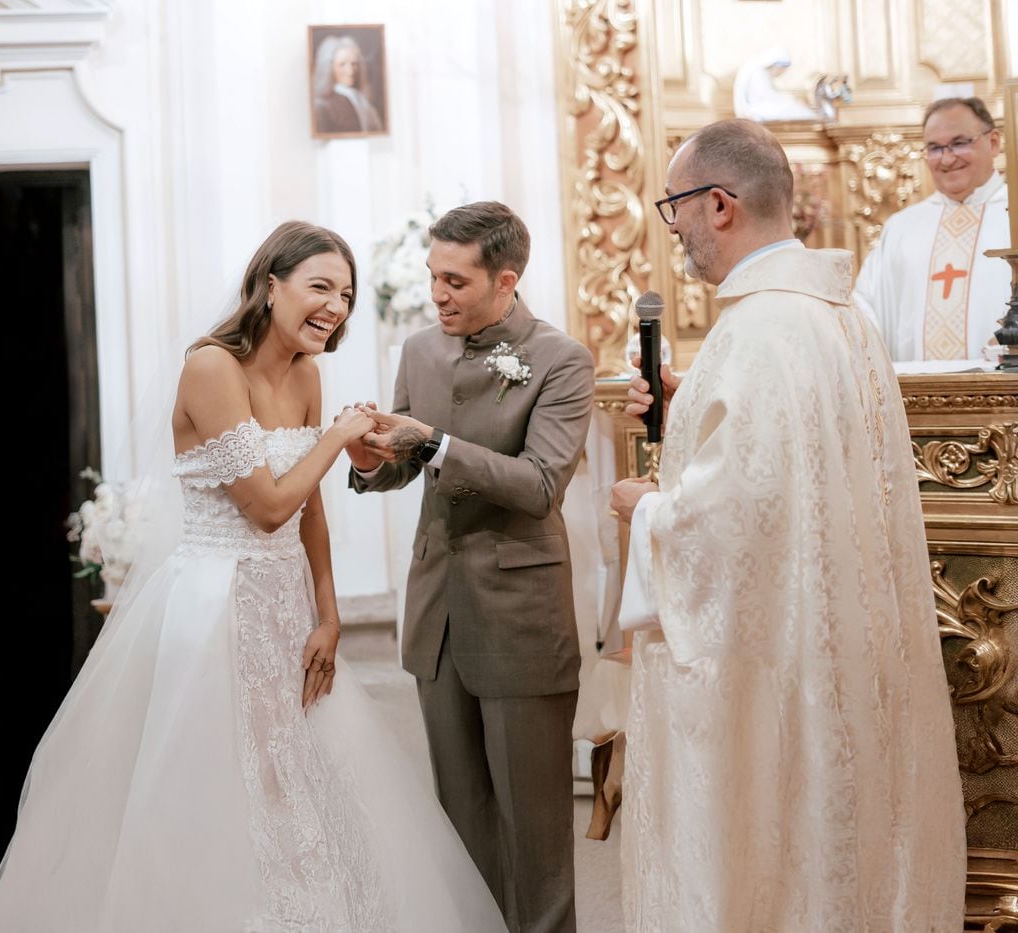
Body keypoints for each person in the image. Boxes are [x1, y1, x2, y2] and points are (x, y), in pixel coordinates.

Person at [0, 221, 506, 932]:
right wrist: (336, 434)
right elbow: (267, 506)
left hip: (286, 605)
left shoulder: (305, 371)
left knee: (301, 775)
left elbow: (309, 510)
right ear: (271, 285)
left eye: (346, 293)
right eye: (320, 286)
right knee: (220, 778)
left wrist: (327, 616)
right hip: (211, 605)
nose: (336, 306)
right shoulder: (211, 368)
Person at [611, 119, 966, 931]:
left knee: (767, 858)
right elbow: (799, 472)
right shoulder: (836, 316)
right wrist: (683, 402)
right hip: (835, 639)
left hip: (775, 663)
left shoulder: (761, 331)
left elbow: (735, 523)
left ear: (721, 204)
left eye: (677, 208)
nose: (677, 231)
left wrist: (647, 511)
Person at [349, 201, 595, 933]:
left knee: (535, 831)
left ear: (505, 279)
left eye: (455, 280)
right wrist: (370, 465)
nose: (439, 294)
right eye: (433, 277)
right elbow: (403, 460)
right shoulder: (420, 351)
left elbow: (540, 484)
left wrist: (436, 445)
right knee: (459, 825)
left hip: (521, 616)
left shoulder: (561, 360)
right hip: (438, 615)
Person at [854, 96, 1008, 361]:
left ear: (993, 142)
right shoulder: (902, 228)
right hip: (916, 398)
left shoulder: (1012, 216)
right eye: (935, 148)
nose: (946, 159)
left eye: (959, 143)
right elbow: (866, 309)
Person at [312, 34, 383, 135]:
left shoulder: (363, 101)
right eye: (342, 64)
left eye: (354, 64)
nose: (350, 71)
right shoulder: (323, 106)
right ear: (329, 67)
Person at [732, 47, 818, 122]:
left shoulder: (759, 70)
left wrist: (792, 99)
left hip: (757, 107)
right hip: (754, 111)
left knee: (795, 106)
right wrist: (792, 99)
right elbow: (765, 97)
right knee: (793, 108)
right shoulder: (758, 73)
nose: (781, 73)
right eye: (782, 69)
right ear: (777, 65)